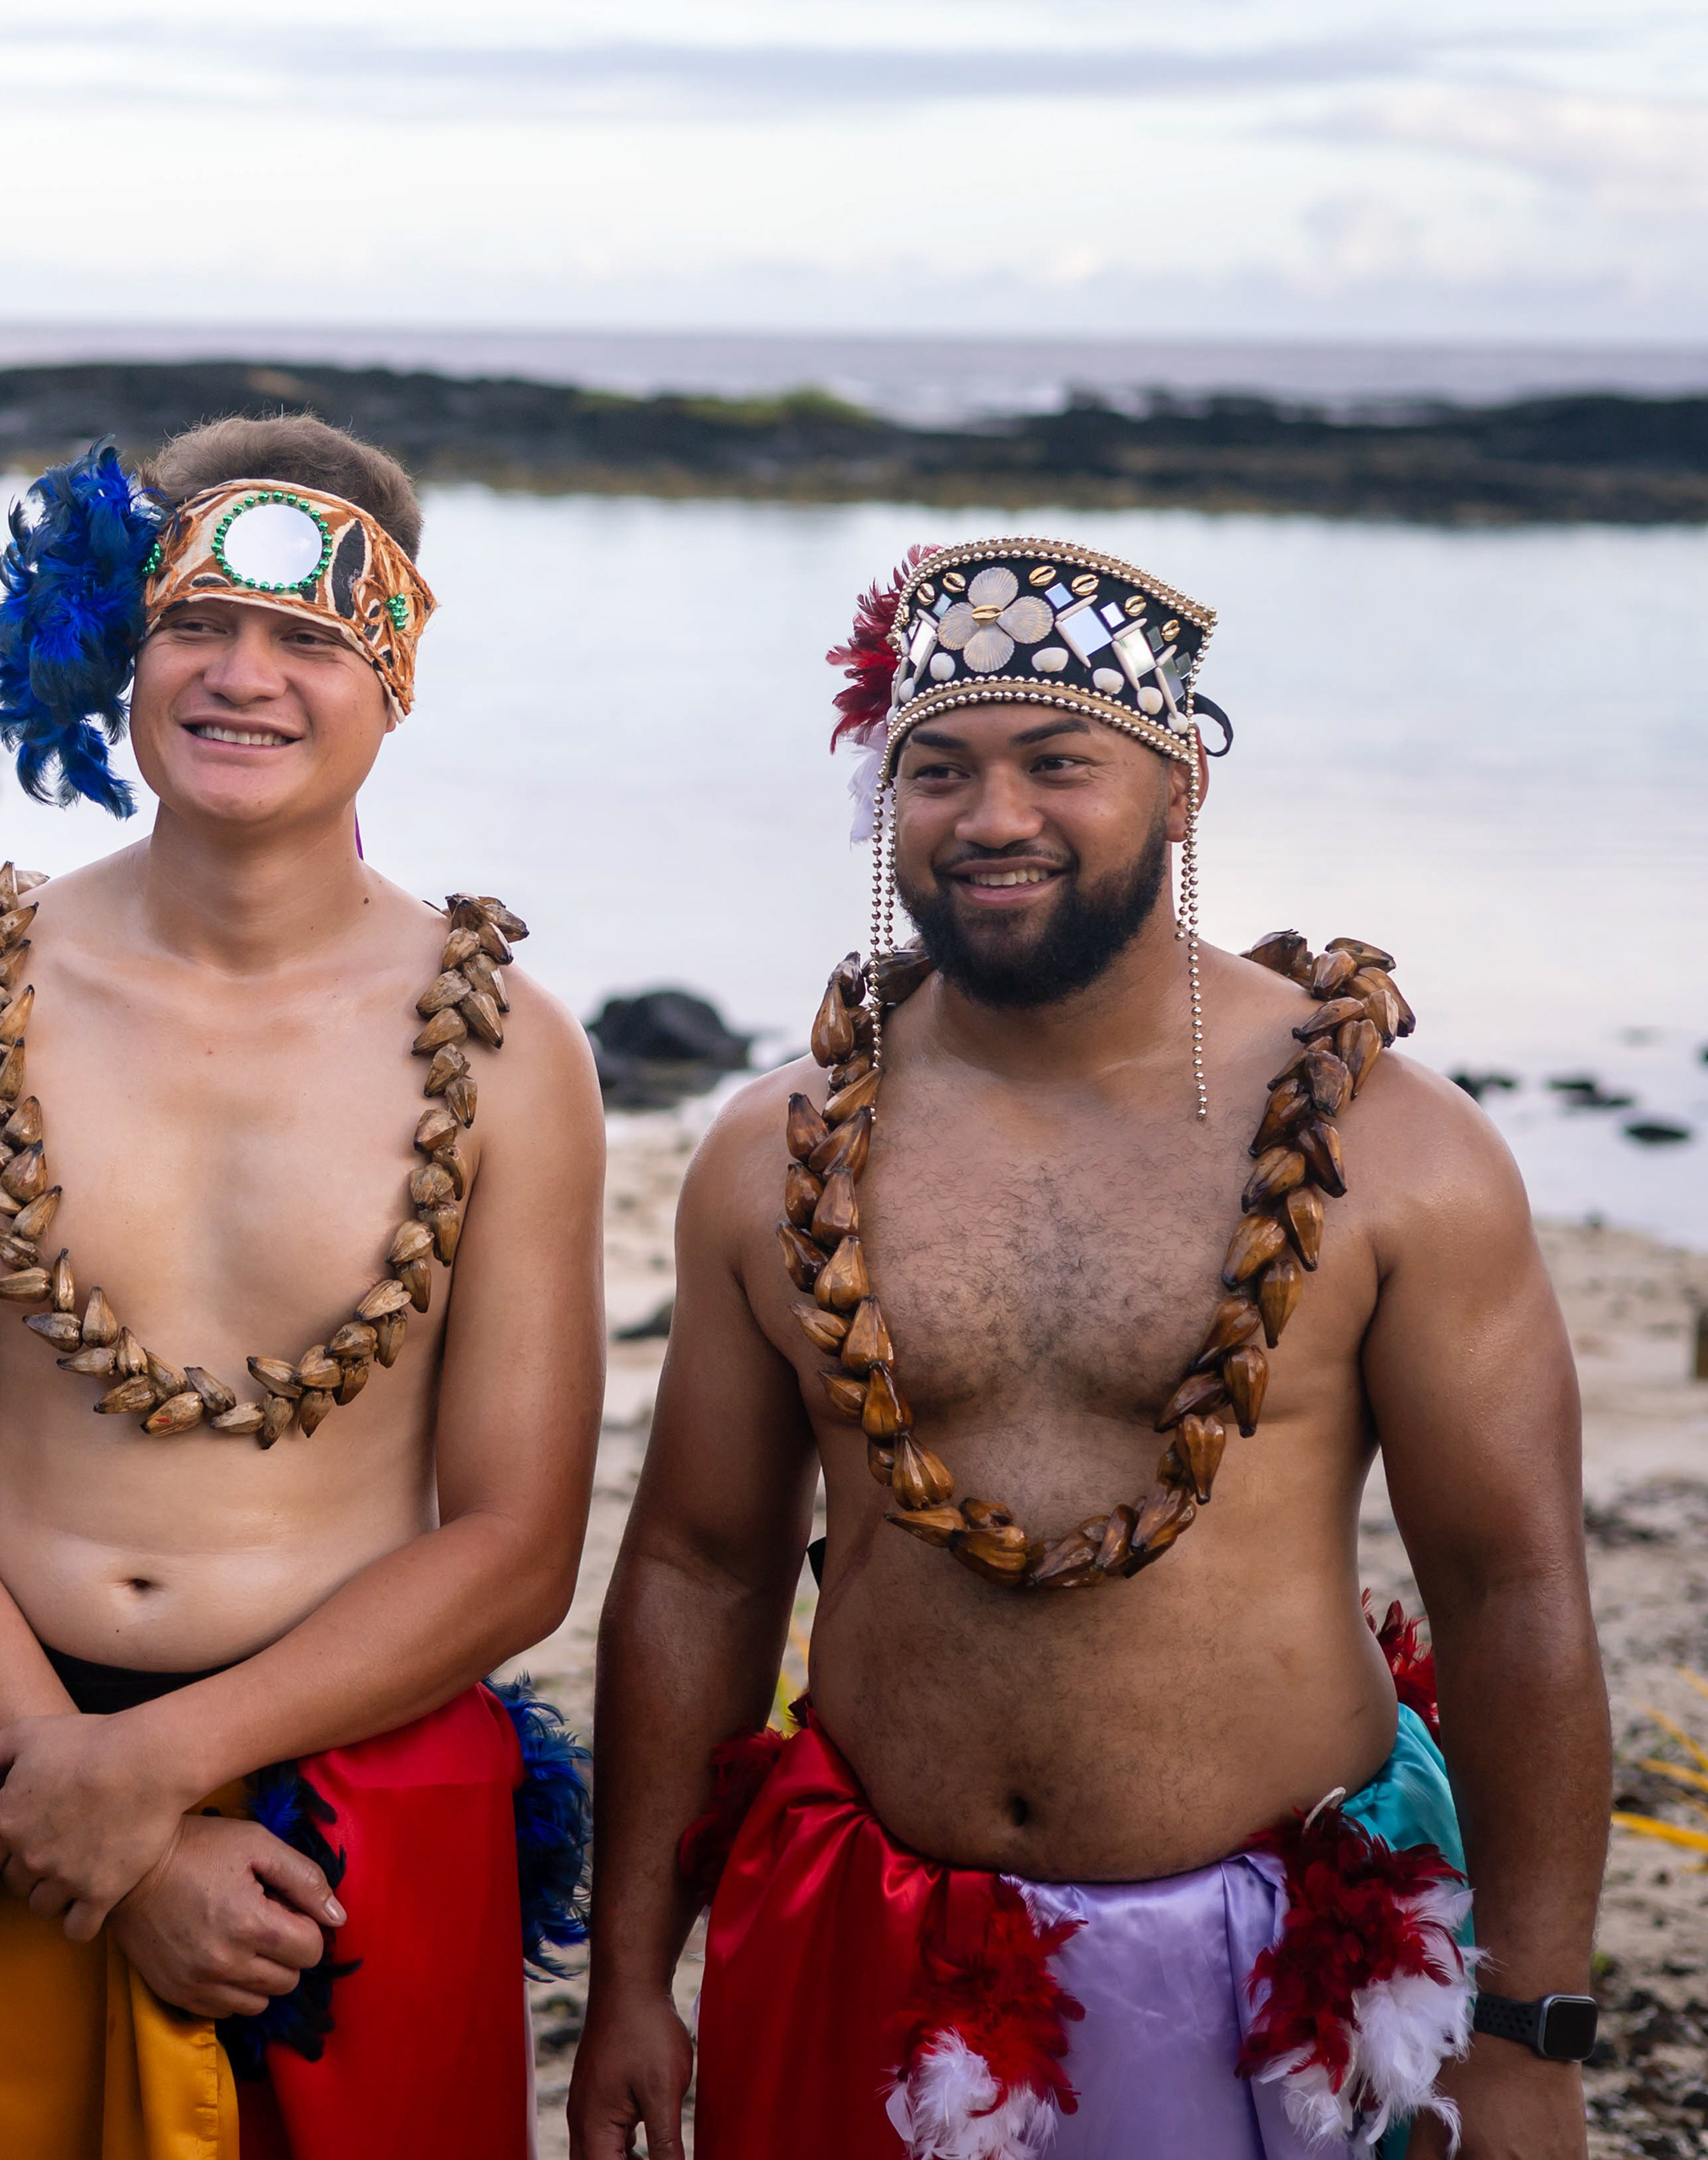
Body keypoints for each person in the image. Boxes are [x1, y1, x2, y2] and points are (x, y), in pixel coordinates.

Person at [567, 537, 1608, 2160]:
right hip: (868, 1929)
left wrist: (1532, 2027)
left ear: (1181, 787)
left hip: (1278, 1958)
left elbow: (1515, 1591)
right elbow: (700, 1567)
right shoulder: (772, 1152)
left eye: (1061, 761)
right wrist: (634, 1971)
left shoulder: (1397, 1158)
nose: (994, 818)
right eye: (939, 768)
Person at [0, 417, 608, 2160]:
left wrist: (154, 1772)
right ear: (125, 644)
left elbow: (519, 1543)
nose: (243, 677)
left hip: (346, 1808)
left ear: (397, 670)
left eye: (308, 638)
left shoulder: (509, 1052)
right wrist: (103, 1811)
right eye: (196, 624)